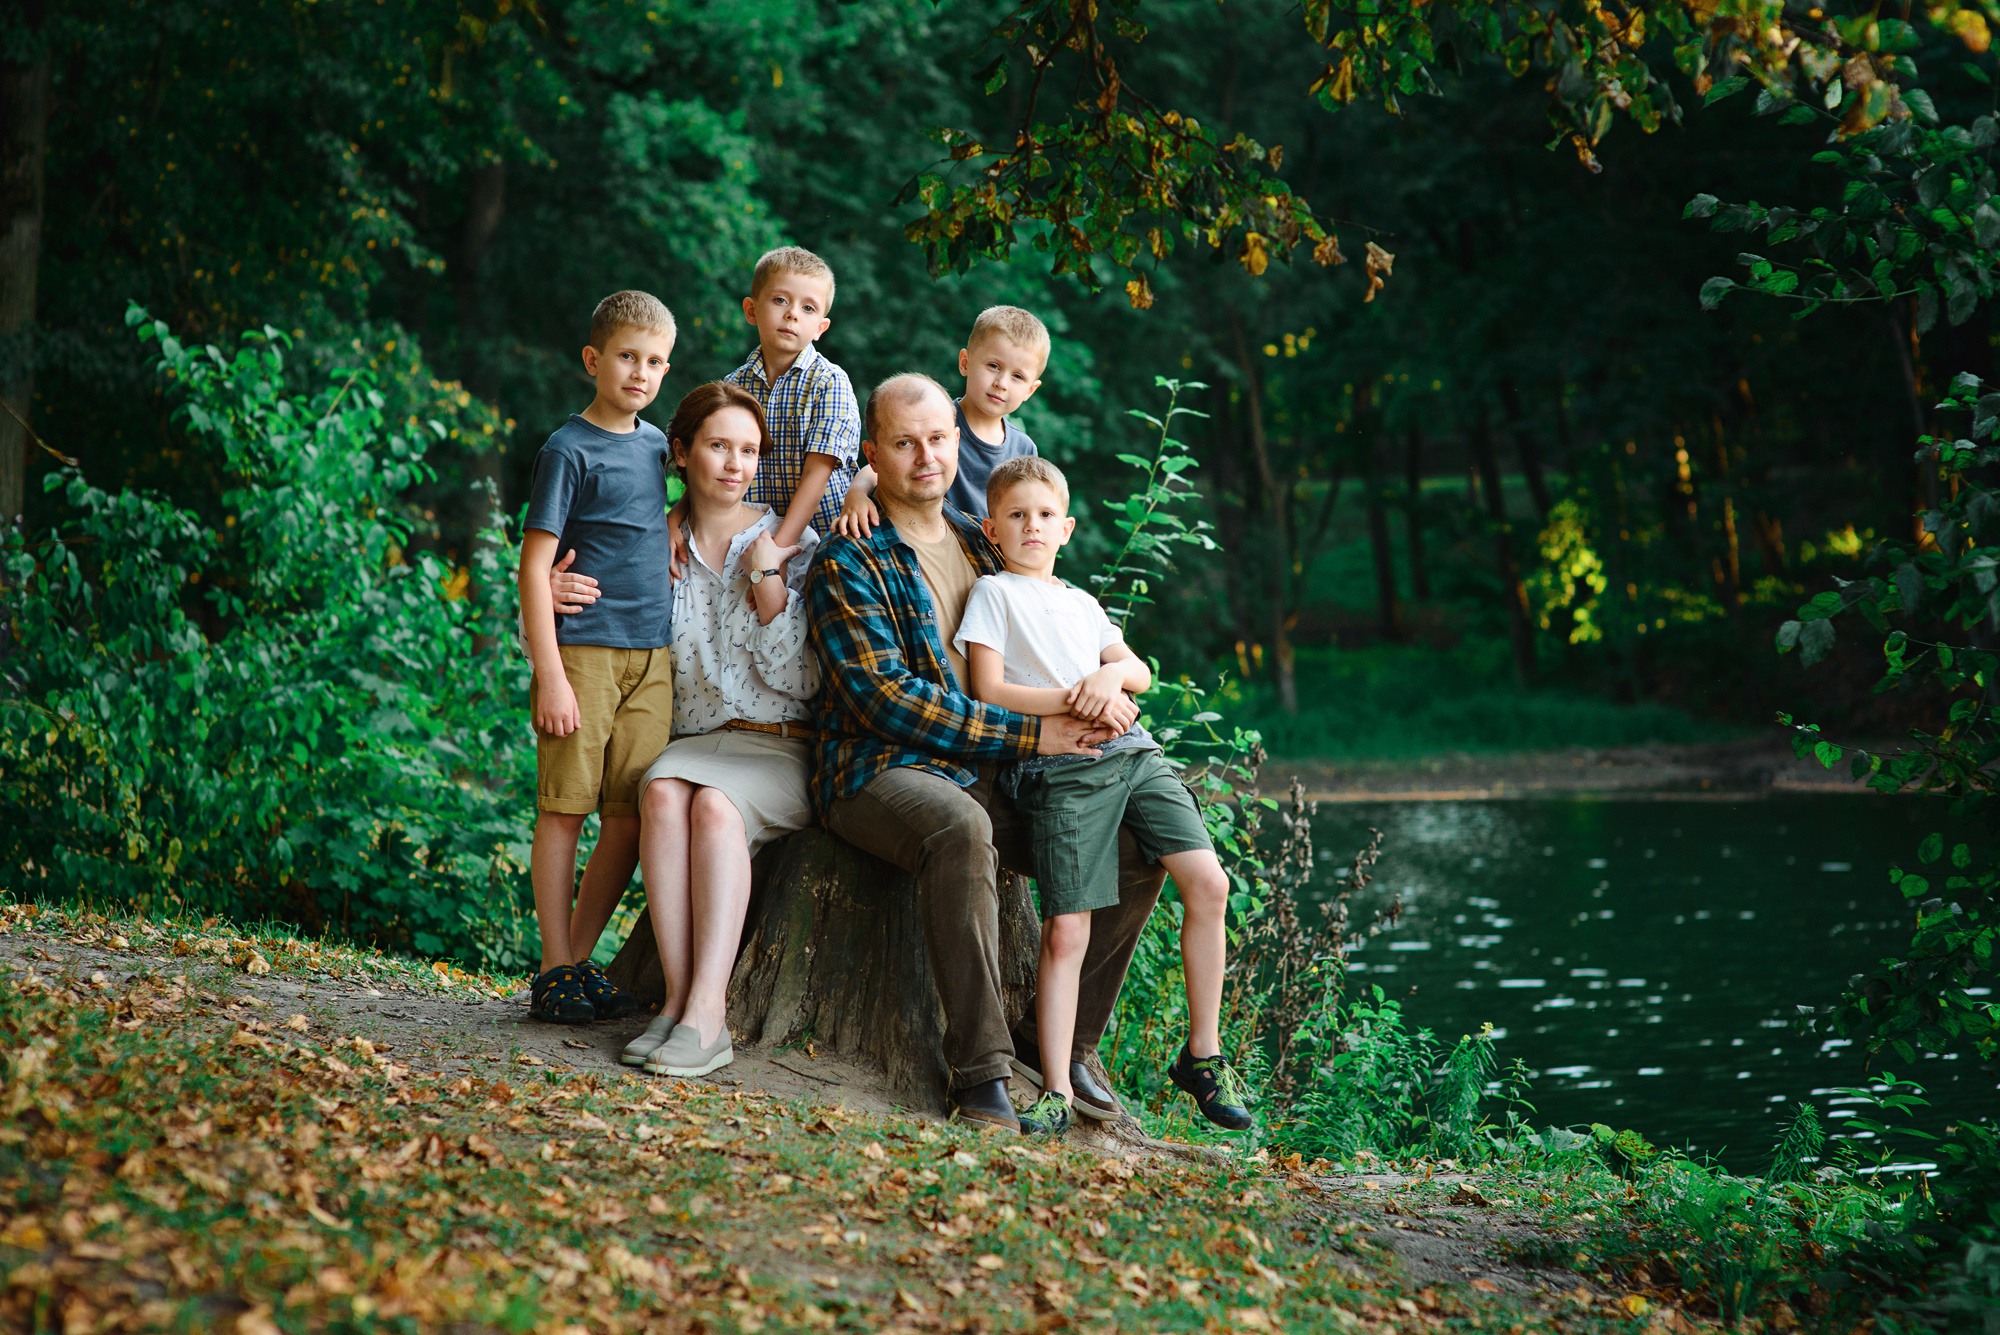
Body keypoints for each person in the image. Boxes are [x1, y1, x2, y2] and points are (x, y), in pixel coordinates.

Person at [806, 371, 1162, 1134]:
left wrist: (1105, 686)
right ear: (875, 453)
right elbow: (885, 698)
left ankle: (1065, 1041)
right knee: (960, 829)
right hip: (877, 770)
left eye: (938, 438)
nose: (926, 456)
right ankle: (981, 1071)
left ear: (957, 441)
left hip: (994, 766)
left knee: (1143, 845)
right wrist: (1035, 733)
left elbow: (1054, 633)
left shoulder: (984, 538)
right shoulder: (851, 559)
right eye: (903, 443)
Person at [953, 456, 1249, 1136]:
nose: (1032, 526)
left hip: (1136, 754)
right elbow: (989, 690)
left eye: (1046, 515)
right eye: (1018, 515)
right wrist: (1077, 695)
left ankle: (1203, 1053)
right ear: (993, 528)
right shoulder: (995, 594)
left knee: (1208, 882)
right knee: (1068, 927)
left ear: (1068, 528)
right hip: (1065, 766)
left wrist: (1111, 681)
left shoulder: (1082, 603)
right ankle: (1055, 1085)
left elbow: (1137, 668)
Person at [609, 382, 821, 1078]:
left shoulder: (790, 543)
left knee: (713, 805)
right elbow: (602, 625)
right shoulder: (657, 546)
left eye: (750, 450)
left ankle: (711, 1015)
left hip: (779, 745)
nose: (736, 463)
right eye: (719, 445)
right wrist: (551, 590)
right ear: (682, 451)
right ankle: (675, 1003)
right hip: (697, 742)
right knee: (663, 793)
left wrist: (765, 578)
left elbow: (803, 680)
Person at [515, 291, 677, 1024]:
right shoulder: (567, 448)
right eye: (626, 356)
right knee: (565, 809)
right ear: (594, 359)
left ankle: (576, 962)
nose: (640, 372)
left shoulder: (653, 444)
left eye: (654, 361)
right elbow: (534, 563)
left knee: (629, 814)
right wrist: (547, 668)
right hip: (581, 653)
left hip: (653, 654)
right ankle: (553, 965)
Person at [834, 305, 1047, 537]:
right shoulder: (937, 423)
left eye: (1017, 376)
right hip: (930, 539)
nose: (1002, 383)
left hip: (990, 556)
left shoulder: (1024, 448)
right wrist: (856, 495)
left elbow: (1029, 510)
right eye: (993, 366)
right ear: (965, 362)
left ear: (1030, 390)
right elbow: (879, 467)